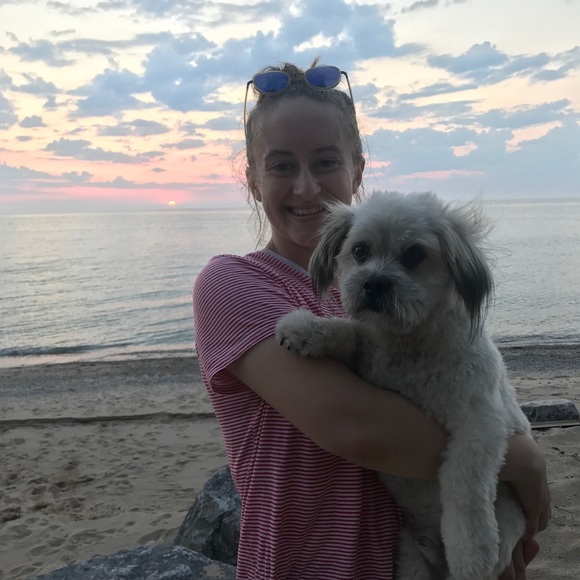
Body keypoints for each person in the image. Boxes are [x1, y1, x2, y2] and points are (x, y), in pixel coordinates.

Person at [193, 60, 550, 579]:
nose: (306, 187)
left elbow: (464, 391)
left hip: (407, 556)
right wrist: (526, 461)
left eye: (325, 161)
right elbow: (358, 429)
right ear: (252, 178)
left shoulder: (407, 305)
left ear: (357, 170)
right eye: (281, 166)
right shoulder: (233, 285)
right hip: (309, 565)